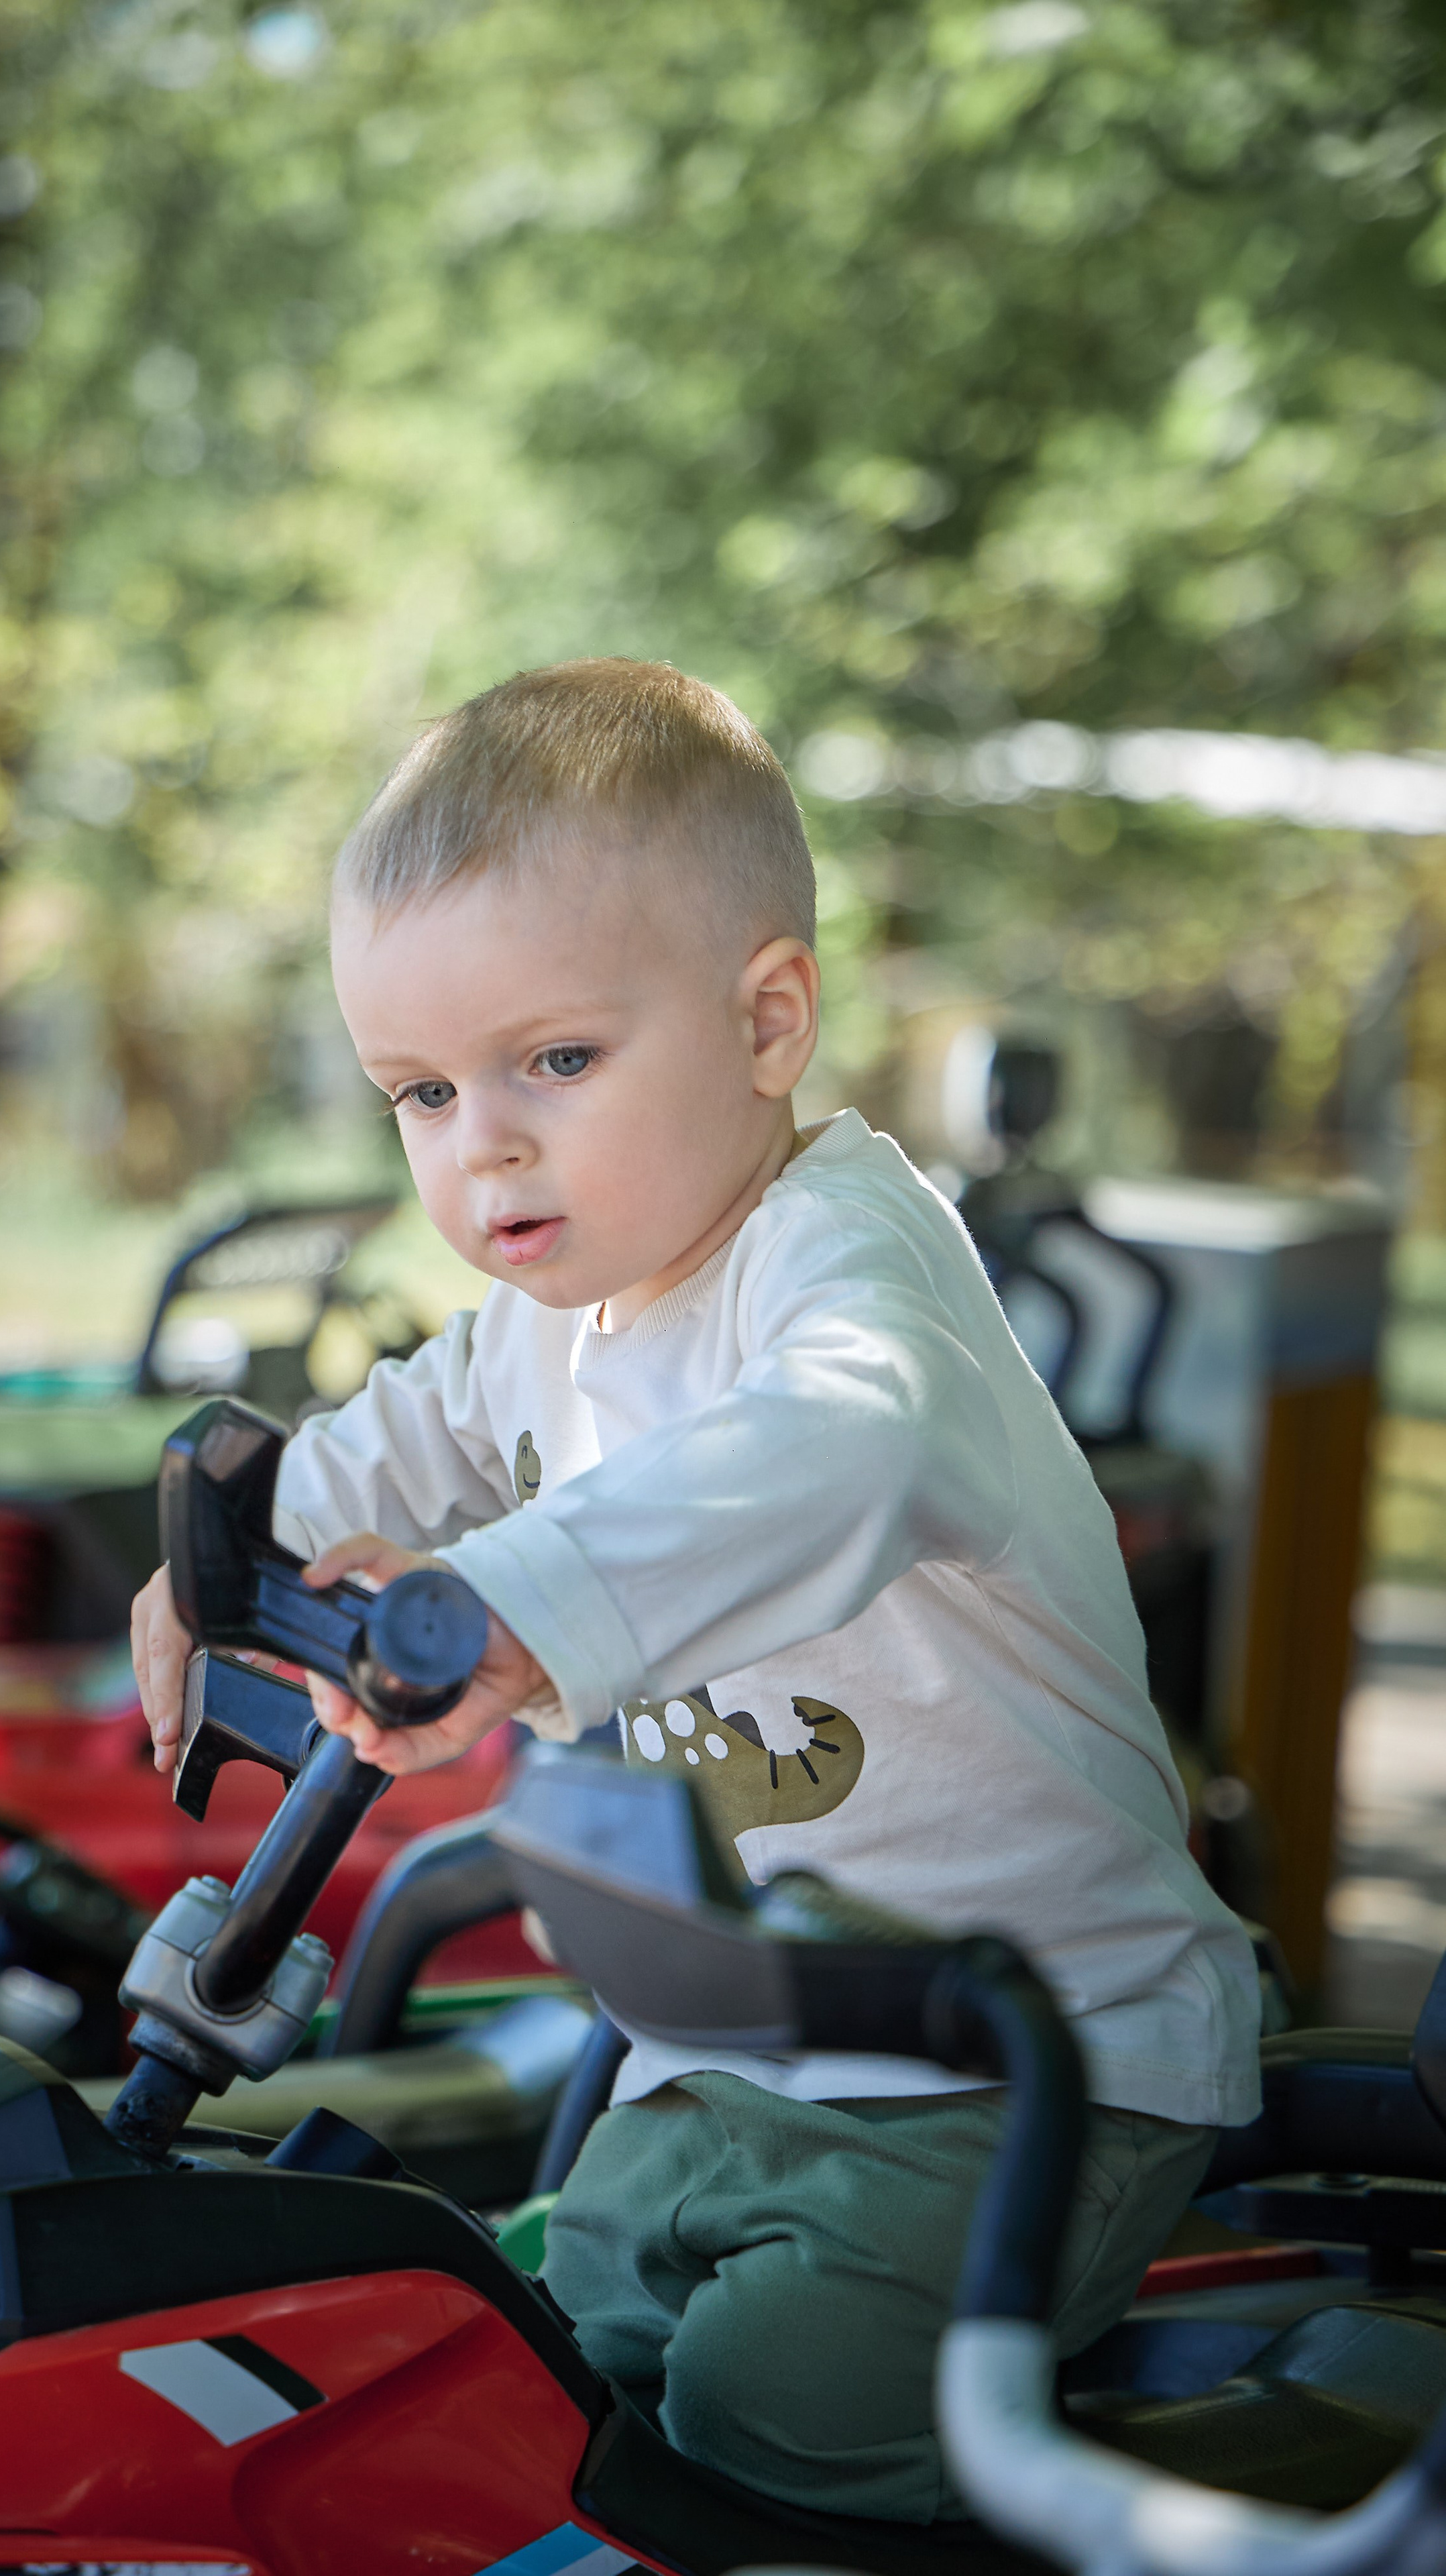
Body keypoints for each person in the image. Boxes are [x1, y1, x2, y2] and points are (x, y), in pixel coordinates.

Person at [131, 657, 1260, 2524]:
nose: (480, 1144)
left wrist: (501, 1604)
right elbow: (406, 1427)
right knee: (524, 2369)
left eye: (554, 1061)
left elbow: (838, 1451)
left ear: (767, 1022)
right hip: (725, 2052)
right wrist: (226, 1553)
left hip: (1022, 2055)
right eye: (419, 1092)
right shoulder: (550, 1313)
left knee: (776, 2412)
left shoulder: (848, 1271)